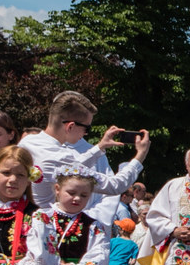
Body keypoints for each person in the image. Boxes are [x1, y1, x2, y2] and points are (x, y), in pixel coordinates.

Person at [21, 91, 149, 224]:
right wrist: (140, 156)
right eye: (86, 128)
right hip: (47, 228)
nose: (85, 134)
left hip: (24, 221)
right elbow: (114, 186)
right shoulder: (59, 157)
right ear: (70, 126)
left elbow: (74, 165)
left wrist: (100, 147)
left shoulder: (28, 142)